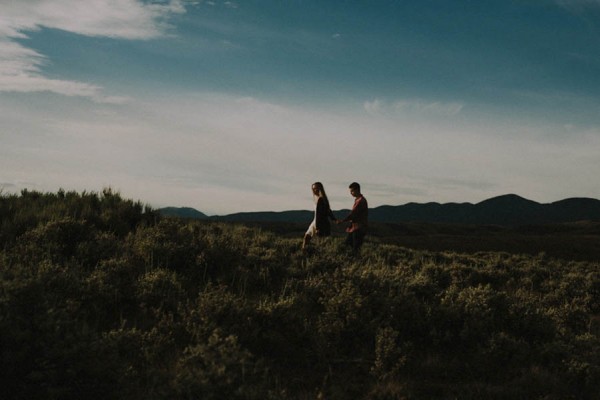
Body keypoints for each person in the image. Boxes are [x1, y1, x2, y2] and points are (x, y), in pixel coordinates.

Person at [303, 182, 337, 250]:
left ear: (320, 189)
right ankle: (304, 252)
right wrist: (334, 219)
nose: (314, 190)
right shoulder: (317, 198)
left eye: (316, 188)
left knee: (317, 241)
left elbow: (323, 213)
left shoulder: (321, 199)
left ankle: (307, 252)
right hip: (315, 221)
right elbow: (328, 211)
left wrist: (318, 227)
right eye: (313, 189)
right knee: (307, 237)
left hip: (319, 223)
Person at [338, 182, 368, 254]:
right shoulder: (358, 200)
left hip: (358, 228)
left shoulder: (360, 201)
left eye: (352, 191)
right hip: (355, 228)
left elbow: (353, 214)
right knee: (349, 246)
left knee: (355, 249)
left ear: (357, 190)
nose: (351, 193)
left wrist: (342, 221)